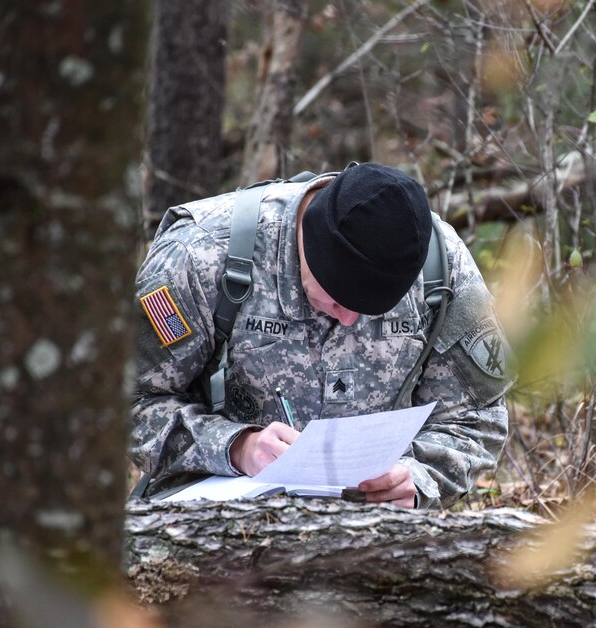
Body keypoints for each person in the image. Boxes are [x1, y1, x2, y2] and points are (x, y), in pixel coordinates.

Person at [130, 163, 512, 508]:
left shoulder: (442, 270)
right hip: (213, 528)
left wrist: (418, 479)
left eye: (370, 310)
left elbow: (477, 416)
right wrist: (235, 447)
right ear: (307, 243)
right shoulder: (200, 256)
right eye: (336, 300)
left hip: (369, 541)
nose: (348, 320)